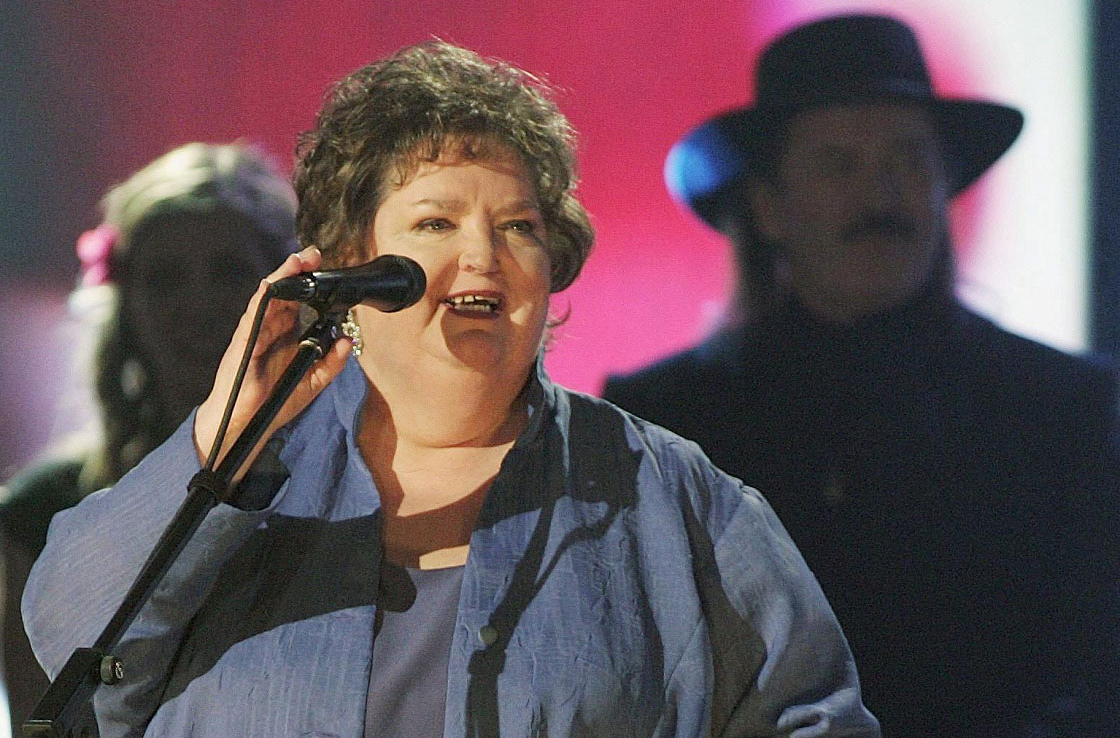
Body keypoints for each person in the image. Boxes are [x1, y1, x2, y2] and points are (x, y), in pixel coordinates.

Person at [22, 41, 879, 737]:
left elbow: (815, 716)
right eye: (435, 223)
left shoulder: (674, 496)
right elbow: (69, 642)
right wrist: (222, 434)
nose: (483, 256)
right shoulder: (246, 475)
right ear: (354, 265)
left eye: (518, 227)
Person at [603, 13, 1120, 736]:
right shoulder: (668, 424)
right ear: (769, 207)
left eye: (908, 161)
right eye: (839, 164)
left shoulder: (1071, 412)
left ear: (943, 189)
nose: (881, 196)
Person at [0, 142, 298, 735]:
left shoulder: (359, 480)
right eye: (165, 279)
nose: (199, 304)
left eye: (228, 272)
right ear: (125, 305)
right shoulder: (41, 510)